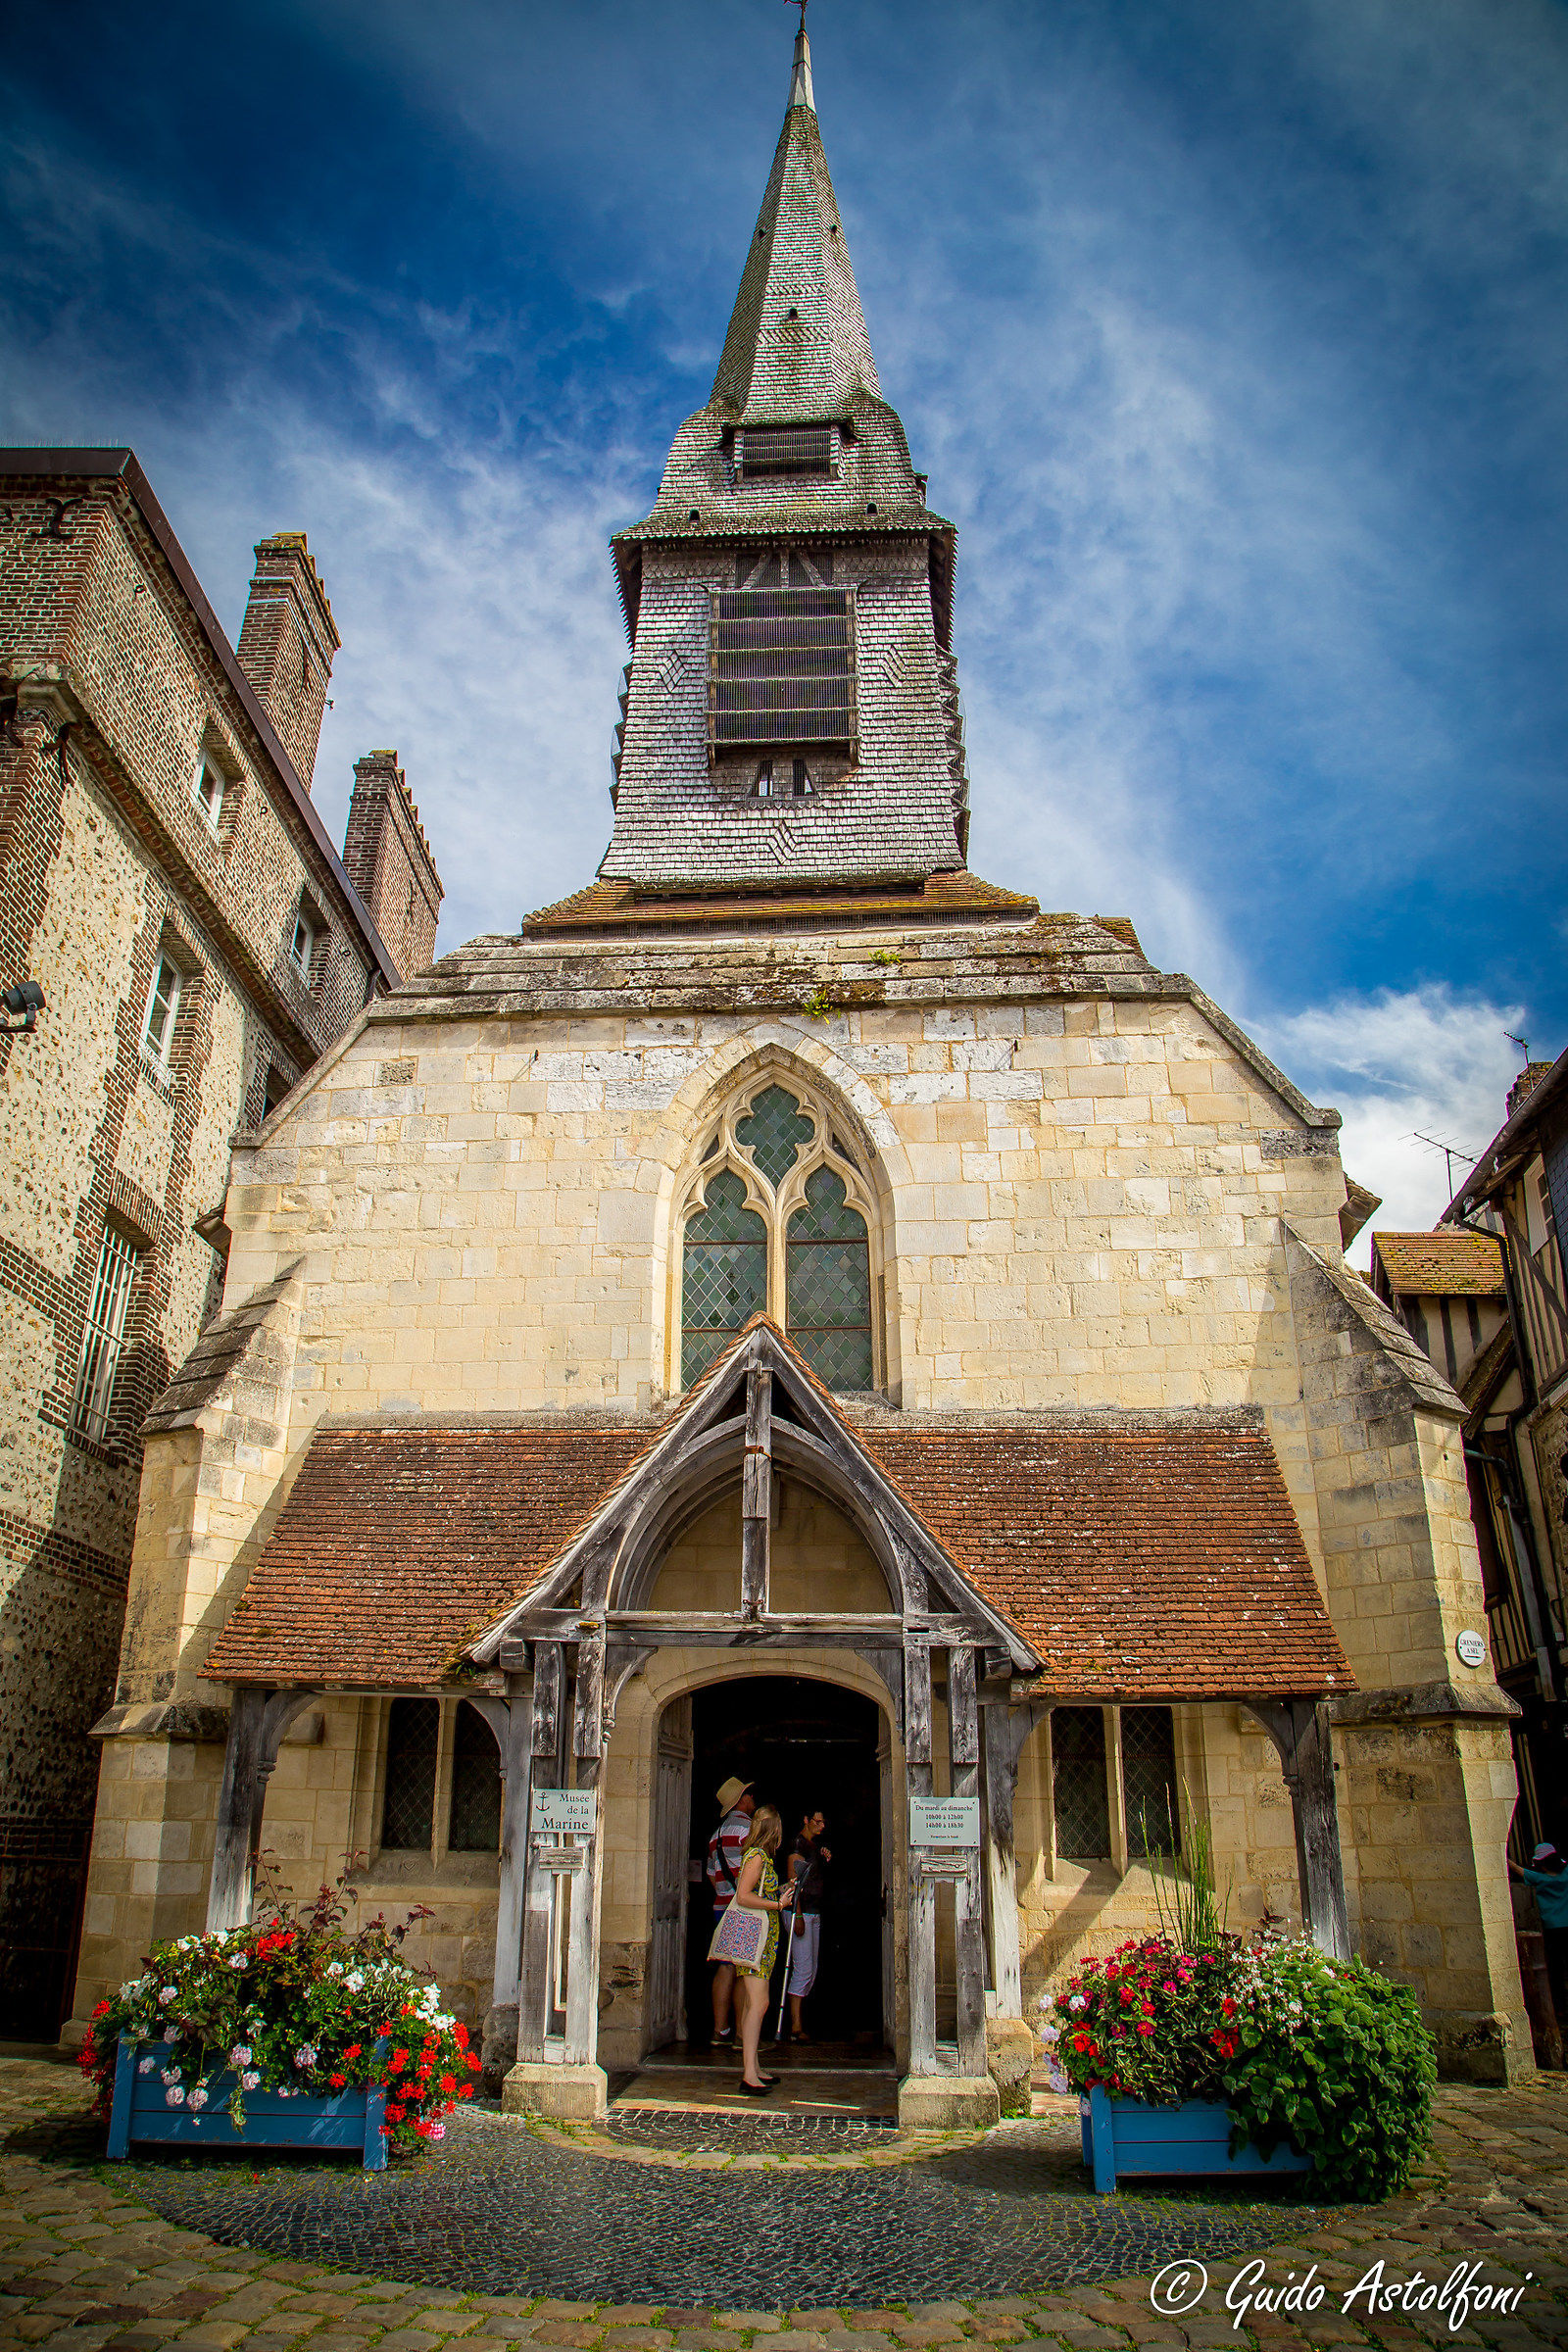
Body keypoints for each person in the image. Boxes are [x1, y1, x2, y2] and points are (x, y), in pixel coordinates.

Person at [730, 1803, 795, 2094]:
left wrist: (781, 1889)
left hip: (762, 1936)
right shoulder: (756, 1856)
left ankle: (753, 2067)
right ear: (774, 1831)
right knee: (759, 2004)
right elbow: (743, 1896)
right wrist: (777, 1904)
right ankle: (748, 2075)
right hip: (753, 1935)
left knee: (753, 2003)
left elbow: (757, 1891)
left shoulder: (760, 1857)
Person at [705, 1775, 756, 2044]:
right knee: (744, 1969)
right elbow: (755, 1870)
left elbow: (712, 1875)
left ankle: (718, 2030)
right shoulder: (750, 1830)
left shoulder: (716, 1835)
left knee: (724, 1968)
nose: (752, 1799)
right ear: (742, 1800)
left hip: (721, 1907)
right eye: (748, 1795)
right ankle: (740, 2034)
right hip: (744, 1909)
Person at [782, 1807, 831, 2043]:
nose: (822, 1826)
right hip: (801, 1913)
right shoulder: (797, 1846)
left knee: (810, 1970)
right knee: (802, 1968)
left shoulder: (812, 1847)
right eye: (817, 1822)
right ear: (805, 1819)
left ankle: (798, 2024)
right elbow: (794, 1883)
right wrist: (797, 1914)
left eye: (823, 1822)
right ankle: (795, 2026)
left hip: (814, 1912)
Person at [1509, 1839, 1568, 2033]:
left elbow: (1521, 1871)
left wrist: (1506, 1859)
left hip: (1552, 1928)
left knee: (1556, 1968)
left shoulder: (1541, 1879)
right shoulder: (1566, 1874)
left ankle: (1560, 2007)